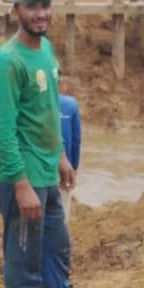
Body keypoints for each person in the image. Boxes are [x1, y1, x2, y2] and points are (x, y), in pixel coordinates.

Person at [0, 0, 110, 288]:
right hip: (17, 174)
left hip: (45, 170)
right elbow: (2, 131)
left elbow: (48, 111)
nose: (40, 13)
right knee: (23, 255)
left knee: (57, 250)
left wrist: (60, 156)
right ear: (16, 9)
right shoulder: (8, 61)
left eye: (45, 5)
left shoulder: (46, 51)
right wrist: (21, 185)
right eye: (32, 6)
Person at [58, 77, 81, 221]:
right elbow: (76, 140)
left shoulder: (32, 103)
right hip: (65, 170)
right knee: (61, 216)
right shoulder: (70, 104)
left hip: (38, 169)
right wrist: (74, 168)